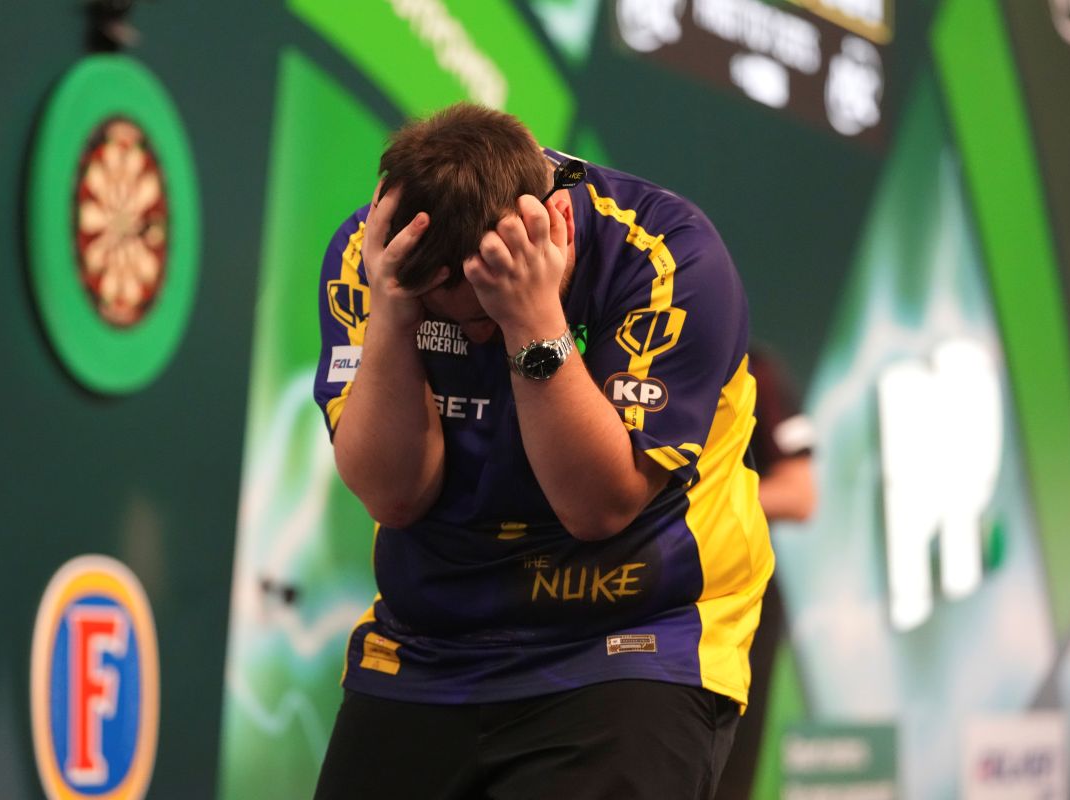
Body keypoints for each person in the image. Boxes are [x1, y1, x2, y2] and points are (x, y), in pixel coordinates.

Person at [311, 103, 771, 799]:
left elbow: (600, 504)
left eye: (482, 317)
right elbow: (394, 493)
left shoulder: (671, 254)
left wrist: (530, 320)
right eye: (457, 318)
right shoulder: (377, 258)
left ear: (551, 225)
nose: (475, 340)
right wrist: (396, 310)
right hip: (433, 636)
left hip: (632, 635)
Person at [715, 344, 817, 799]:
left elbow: (799, 495)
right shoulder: (611, 350)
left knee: (730, 771)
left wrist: (694, 504)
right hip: (634, 590)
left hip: (739, 596)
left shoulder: (754, 369)